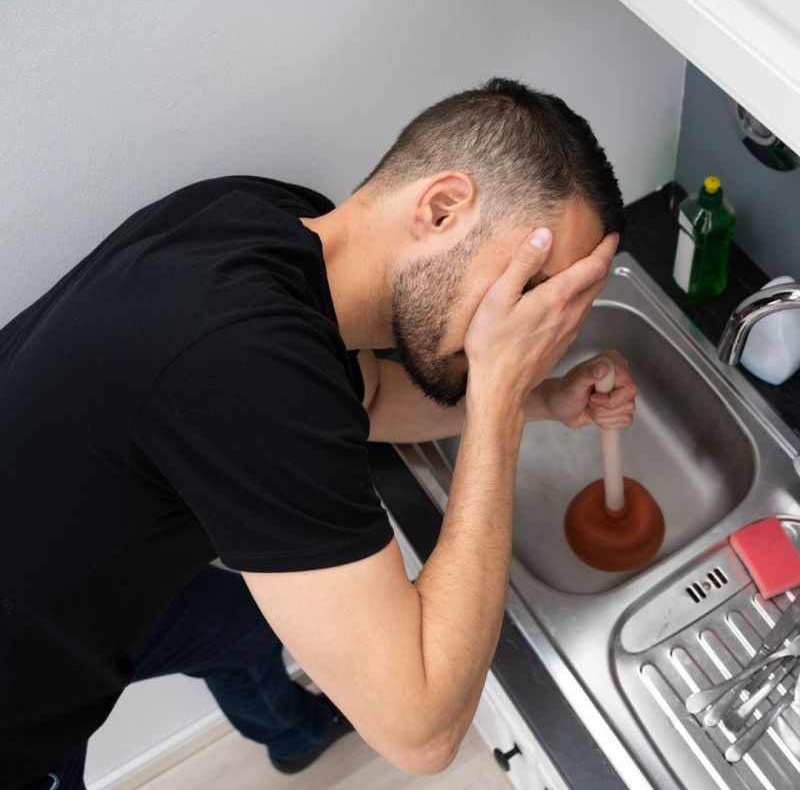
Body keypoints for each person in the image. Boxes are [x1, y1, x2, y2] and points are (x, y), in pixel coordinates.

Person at [1, 77, 637, 789]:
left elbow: (369, 397)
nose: (534, 329)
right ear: (443, 208)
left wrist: (543, 397)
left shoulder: (272, 219)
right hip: (17, 705)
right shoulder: (245, 366)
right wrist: (498, 398)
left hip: (64, 565)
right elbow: (421, 731)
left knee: (238, 631)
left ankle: (292, 731)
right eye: (532, 287)